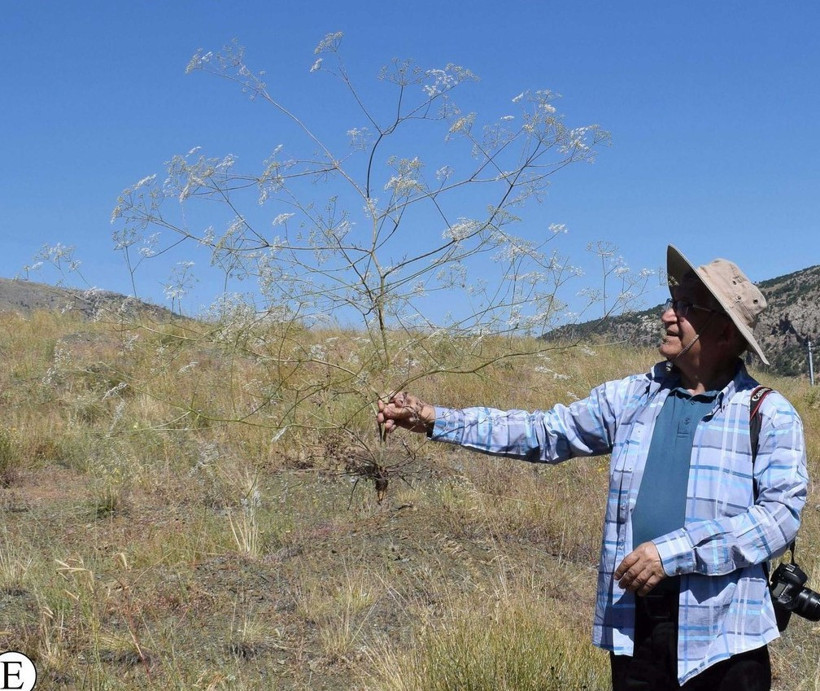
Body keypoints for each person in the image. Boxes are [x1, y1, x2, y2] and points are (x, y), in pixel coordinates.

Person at [377, 245, 808, 689]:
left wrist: (673, 552)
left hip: (725, 640)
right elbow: (544, 432)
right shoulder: (634, 398)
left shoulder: (767, 414)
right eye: (672, 302)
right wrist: (436, 419)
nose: (666, 315)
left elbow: (780, 518)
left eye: (685, 306)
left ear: (724, 332)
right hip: (636, 629)